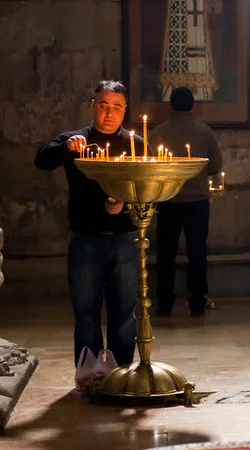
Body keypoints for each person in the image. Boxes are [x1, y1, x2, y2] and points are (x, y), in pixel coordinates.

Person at [35, 80, 144, 367]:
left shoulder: (135, 144)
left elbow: (146, 189)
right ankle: (90, 370)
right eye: (104, 106)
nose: (110, 113)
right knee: (86, 311)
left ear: (124, 110)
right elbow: (41, 160)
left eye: (117, 107)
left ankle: (120, 371)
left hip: (124, 237)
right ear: (93, 107)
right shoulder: (75, 139)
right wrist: (66, 149)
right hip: (85, 236)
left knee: (124, 311)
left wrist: (125, 202)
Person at [149, 86, 222, 317]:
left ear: (171, 104)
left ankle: (165, 303)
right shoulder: (205, 132)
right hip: (197, 201)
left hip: (168, 200)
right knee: (198, 252)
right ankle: (198, 302)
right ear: (192, 105)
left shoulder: (159, 132)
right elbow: (215, 167)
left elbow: (150, 165)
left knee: (165, 254)